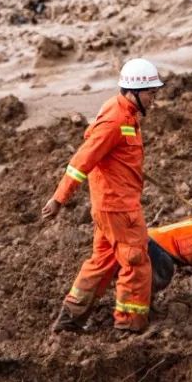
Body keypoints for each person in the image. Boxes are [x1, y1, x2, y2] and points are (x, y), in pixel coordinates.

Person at [41, 57, 164, 335]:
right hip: (119, 208)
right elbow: (82, 160)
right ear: (133, 92)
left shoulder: (125, 113)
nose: (154, 99)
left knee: (103, 262)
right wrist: (59, 198)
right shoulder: (115, 119)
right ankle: (129, 325)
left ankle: (70, 317)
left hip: (111, 206)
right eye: (151, 93)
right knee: (136, 262)